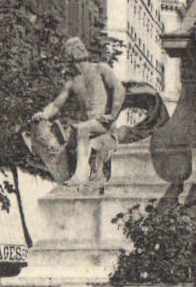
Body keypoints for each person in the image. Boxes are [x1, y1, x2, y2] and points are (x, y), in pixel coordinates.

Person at [31, 37, 126, 185]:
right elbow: (56, 105)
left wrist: (113, 114)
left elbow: (119, 89)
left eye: (81, 46)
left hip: (104, 124)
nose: (81, 48)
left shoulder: (101, 68)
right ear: (69, 56)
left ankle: (81, 174)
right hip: (87, 127)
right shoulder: (73, 82)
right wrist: (43, 114)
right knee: (72, 136)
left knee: (81, 129)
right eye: (75, 47)